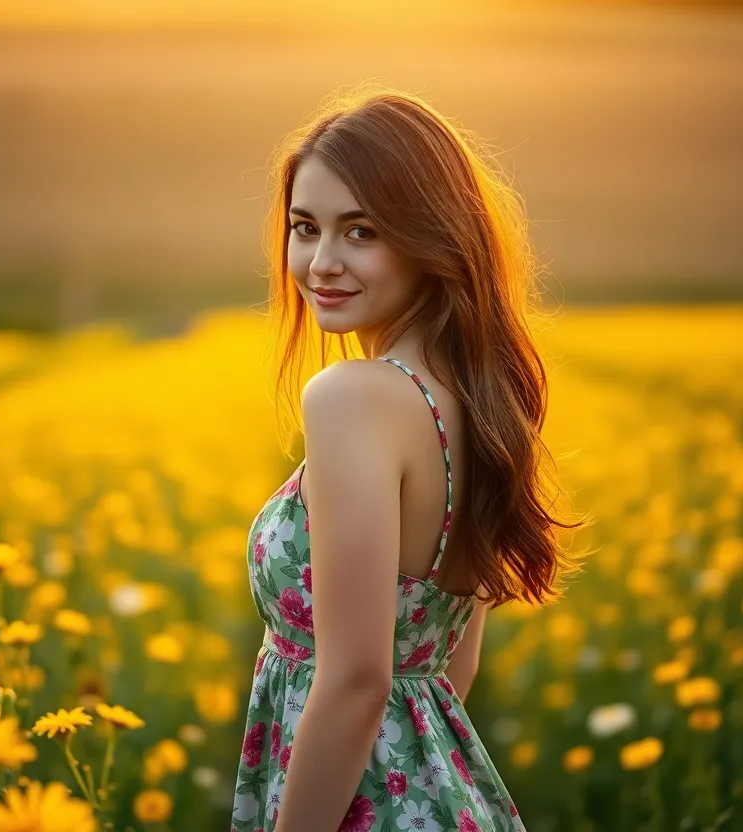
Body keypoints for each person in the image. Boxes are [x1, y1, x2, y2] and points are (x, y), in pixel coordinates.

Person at [232, 84, 582, 832]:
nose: (322, 261)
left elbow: (358, 681)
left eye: (361, 231)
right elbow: (450, 667)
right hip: (441, 795)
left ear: (432, 237)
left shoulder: (352, 399)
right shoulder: (481, 402)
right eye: (305, 227)